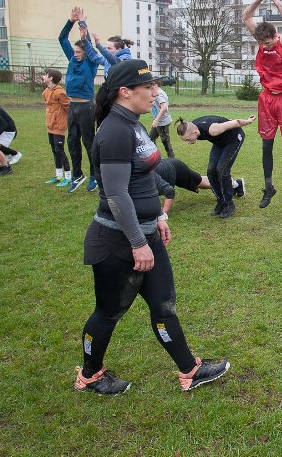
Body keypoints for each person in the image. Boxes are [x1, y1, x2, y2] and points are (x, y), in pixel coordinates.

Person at [75, 59, 230, 395]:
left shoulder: (132, 124)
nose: (154, 92)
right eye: (148, 87)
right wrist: (136, 242)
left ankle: (190, 370)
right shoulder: (115, 130)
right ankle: (90, 374)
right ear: (125, 91)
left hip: (144, 233)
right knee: (108, 312)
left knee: (163, 305)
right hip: (117, 241)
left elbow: (142, 175)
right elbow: (115, 193)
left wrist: (158, 216)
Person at [241, 0, 282, 210]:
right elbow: (246, 16)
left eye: (267, 42)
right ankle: (269, 187)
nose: (265, 47)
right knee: (266, 146)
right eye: (262, 43)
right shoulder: (260, 42)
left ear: (274, 37)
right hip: (266, 99)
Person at [176, 114, 255, 219]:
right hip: (219, 143)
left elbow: (236, 122)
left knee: (222, 170)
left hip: (233, 139)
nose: (187, 142)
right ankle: (221, 201)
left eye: (187, 139)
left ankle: (228, 203)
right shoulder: (192, 126)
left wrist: (248, 121)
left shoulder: (212, 129)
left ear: (195, 133)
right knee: (211, 171)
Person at [59, 6, 100, 193]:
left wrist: (83, 24)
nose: (75, 54)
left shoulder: (89, 62)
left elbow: (88, 45)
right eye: (74, 51)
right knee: (72, 141)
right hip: (72, 106)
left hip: (86, 107)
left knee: (89, 143)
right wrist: (71, 21)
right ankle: (77, 175)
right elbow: (62, 39)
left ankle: (94, 175)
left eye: (78, 52)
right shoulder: (71, 60)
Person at [153, 157, 244, 214]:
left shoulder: (146, 178)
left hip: (174, 168)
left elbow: (169, 192)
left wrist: (163, 214)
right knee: (201, 181)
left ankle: (235, 184)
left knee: (201, 182)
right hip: (168, 167)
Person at [41, 69, 72, 187]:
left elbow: (68, 107)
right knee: (54, 150)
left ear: (51, 78)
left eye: (45, 75)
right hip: (50, 125)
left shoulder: (60, 92)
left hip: (59, 125)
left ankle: (68, 177)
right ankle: (59, 175)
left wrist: (61, 120)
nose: (43, 76)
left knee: (60, 150)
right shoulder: (46, 91)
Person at [149, 80, 175, 158]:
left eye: (151, 86)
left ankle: (172, 159)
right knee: (150, 138)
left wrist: (156, 120)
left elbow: (164, 108)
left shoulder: (159, 94)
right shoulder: (157, 92)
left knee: (166, 142)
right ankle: (155, 156)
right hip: (159, 122)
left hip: (162, 122)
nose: (150, 88)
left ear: (156, 85)